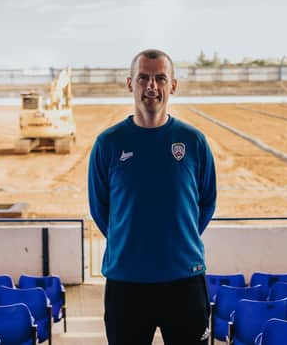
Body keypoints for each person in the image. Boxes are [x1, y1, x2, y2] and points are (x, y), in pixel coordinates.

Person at [88, 49, 217, 345]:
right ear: (130, 83)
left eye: (160, 78)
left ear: (173, 86)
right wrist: (130, 241)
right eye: (143, 77)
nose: (151, 86)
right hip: (126, 281)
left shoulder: (193, 141)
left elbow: (207, 200)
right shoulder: (108, 143)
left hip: (184, 279)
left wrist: (179, 238)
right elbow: (100, 207)